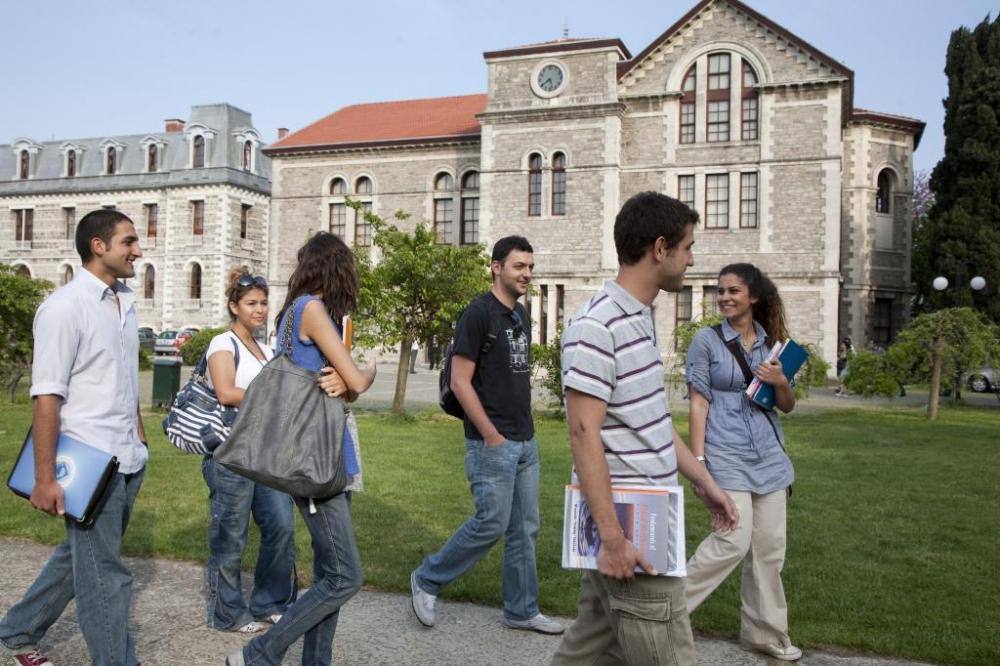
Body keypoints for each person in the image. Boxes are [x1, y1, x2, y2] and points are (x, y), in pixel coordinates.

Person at [551, 192, 739, 666]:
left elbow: (651, 424)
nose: (692, 260)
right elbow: (583, 434)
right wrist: (614, 540)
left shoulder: (639, 316)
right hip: (632, 532)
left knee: (590, 651)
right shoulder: (597, 324)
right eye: (688, 247)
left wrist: (705, 482)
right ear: (660, 248)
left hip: (640, 521)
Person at [0, 209, 147, 666]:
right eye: (128, 242)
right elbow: (46, 396)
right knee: (105, 575)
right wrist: (45, 478)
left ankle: (18, 629)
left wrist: (139, 438)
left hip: (127, 459)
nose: (137, 251)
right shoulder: (64, 307)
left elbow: (120, 376)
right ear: (98, 246)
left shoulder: (124, 301)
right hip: (88, 463)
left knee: (79, 558)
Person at [227, 232, 377, 666]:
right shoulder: (310, 309)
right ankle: (258, 654)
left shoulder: (294, 313)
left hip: (322, 455)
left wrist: (344, 383)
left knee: (331, 573)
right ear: (335, 268)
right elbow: (355, 380)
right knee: (346, 577)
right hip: (315, 463)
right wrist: (365, 372)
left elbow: (337, 385)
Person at [410, 235, 564, 635]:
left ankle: (521, 609)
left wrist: (521, 432)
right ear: (497, 267)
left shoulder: (520, 316)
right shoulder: (478, 314)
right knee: (490, 523)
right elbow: (461, 382)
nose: (527, 274)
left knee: (524, 530)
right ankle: (427, 578)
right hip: (491, 443)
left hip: (525, 440)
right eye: (519, 266)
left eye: (530, 267)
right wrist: (492, 434)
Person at [683, 263, 801, 661]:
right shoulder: (706, 341)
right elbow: (699, 402)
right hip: (725, 452)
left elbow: (786, 406)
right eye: (720, 291)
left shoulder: (776, 345)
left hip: (769, 457)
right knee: (732, 540)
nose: (724, 298)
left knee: (770, 549)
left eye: (733, 291)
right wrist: (699, 465)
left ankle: (764, 633)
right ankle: (662, 615)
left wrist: (780, 380)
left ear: (753, 296)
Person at [202, 270, 298, 634]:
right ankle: (227, 613)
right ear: (234, 306)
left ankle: (269, 602)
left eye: (263, 303)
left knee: (281, 527)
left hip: (266, 454)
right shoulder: (222, 344)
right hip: (230, 454)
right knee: (230, 536)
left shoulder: (268, 348)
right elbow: (226, 392)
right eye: (251, 303)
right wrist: (274, 397)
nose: (259, 310)